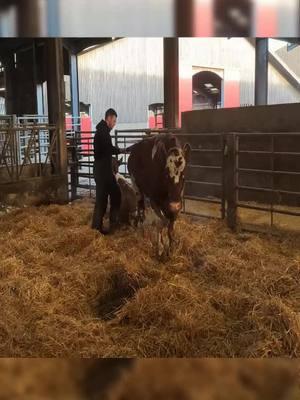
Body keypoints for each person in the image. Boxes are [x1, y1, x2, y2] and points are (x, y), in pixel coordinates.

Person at [91, 108, 122, 235]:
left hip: (102, 170)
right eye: (113, 121)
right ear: (108, 118)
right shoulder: (103, 132)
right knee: (107, 199)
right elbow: (108, 148)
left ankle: (100, 226)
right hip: (103, 171)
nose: (114, 124)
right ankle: (102, 227)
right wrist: (118, 150)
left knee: (108, 197)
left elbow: (106, 150)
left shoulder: (102, 131)